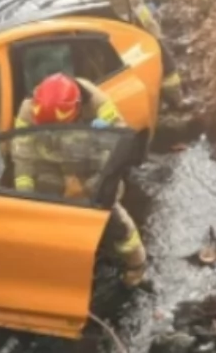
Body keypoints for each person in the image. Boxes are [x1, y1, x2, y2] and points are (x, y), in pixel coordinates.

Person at [13, 73, 149, 289]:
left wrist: (95, 183)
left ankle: (136, 264)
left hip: (89, 163)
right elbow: (23, 156)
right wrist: (25, 197)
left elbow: (122, 139)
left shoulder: (95, 100)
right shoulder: (28, 109)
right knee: (48, 213)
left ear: (76, 108)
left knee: (111, 216)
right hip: (53, 167)